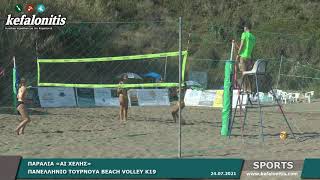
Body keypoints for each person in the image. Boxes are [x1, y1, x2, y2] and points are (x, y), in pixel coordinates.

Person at [236, 22, 256, 92]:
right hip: (249, 58)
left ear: (246, 28)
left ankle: (245, 89)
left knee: (244, 74)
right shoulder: (253, 37)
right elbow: (252, 49)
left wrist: (238, 55)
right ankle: (249, 89)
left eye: (244, 27)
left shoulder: (244, 34)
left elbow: (241, 45)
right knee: (248, 74)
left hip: (243, 57)